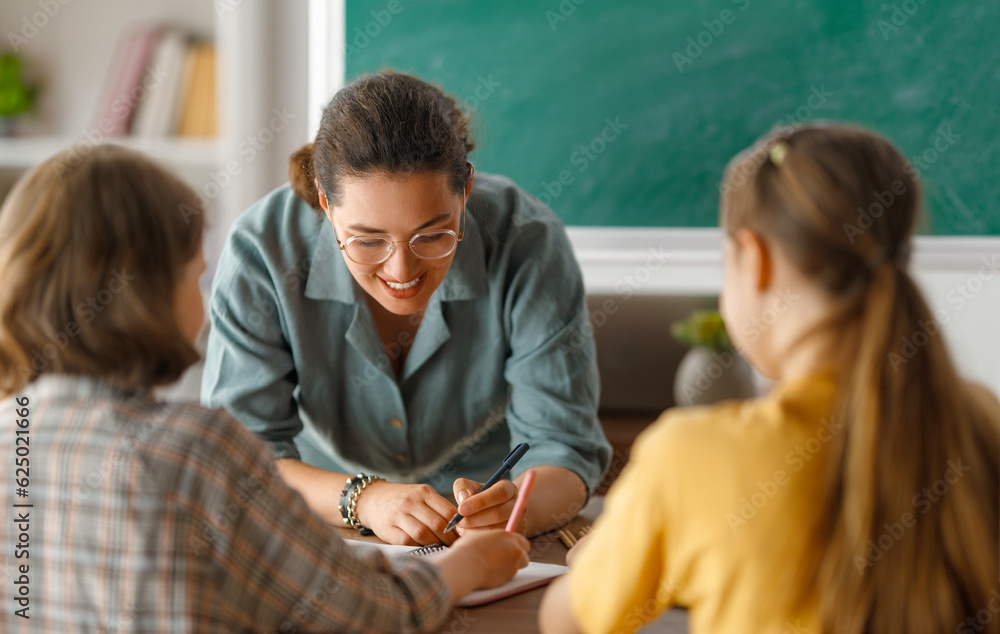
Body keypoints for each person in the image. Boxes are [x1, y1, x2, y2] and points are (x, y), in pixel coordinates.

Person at [0, 145, 530, 633]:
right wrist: (468, 566)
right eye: (197, 276)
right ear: (152, 294)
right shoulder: (195, 450)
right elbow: (367, 614)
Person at [538, 123, 1000, 633]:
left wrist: (600, 561)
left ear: (754, 260)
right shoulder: (982, 421)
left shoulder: (694, 455)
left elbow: (567, 623)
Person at [201, 70, 611, 546]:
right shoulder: (262, 250)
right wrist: (366, 500)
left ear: (466, 192)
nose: (401, 270)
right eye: (368, 240)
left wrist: (515, 507)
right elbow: (240, 458)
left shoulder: (529, 242)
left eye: (432, 235)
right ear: (325, 204)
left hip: (487, 536)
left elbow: (565, 449)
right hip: (326, 525)